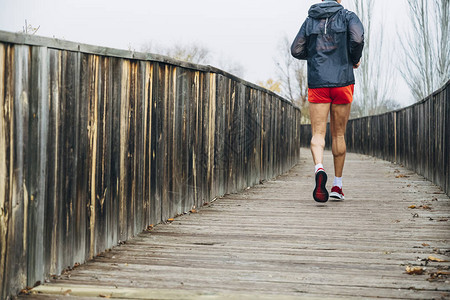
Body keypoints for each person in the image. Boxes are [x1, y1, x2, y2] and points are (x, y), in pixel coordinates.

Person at [291, 0, 364, 203]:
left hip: (318, 82)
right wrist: (353, 59)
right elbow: (357, 38)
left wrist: (315, 55)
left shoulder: (310, 20)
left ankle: (319, 168)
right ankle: (337, 186)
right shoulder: (349, 16)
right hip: (342, 81)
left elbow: (296, 49)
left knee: (318, 134)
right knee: (339, 134)